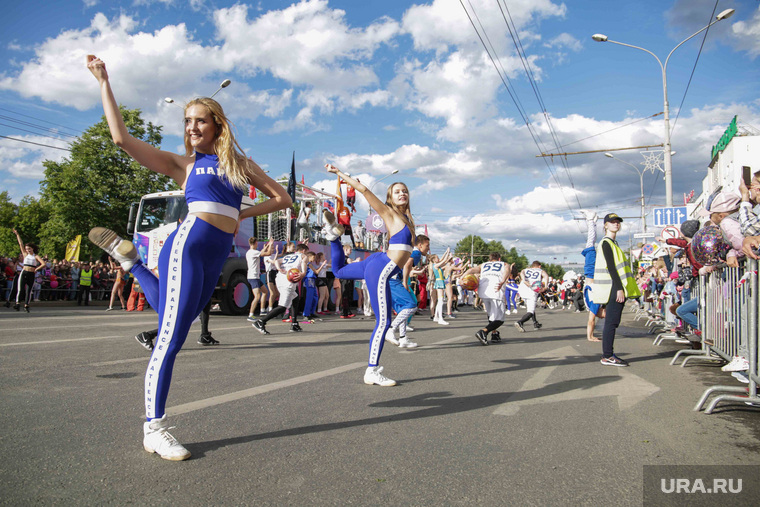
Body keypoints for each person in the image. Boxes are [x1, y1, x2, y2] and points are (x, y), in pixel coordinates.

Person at [85, 54, 291, 461]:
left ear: (217, 124)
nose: (192, 127)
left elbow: (282, 199)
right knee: (171, 336)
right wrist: (103, 81)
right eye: (187, 121)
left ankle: (131, 263)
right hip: (190, 242)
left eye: (200, 120)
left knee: (172, 315)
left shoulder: (240, 165)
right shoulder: (184, 165)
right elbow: (121, 140)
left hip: (219, 251)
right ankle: (154, 427)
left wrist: (240, 215)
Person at [320, 164, 419, 386]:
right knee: (383, 322)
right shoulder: (390, 213)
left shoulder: (408, 221)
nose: (402, 193)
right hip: (382, 267)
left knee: (338, 271)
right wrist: (338, 174)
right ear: (390, 198)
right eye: (397, 191)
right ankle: (372, 371)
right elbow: (364, 190)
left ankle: (334, 237)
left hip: (377, 262)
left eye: (405, 190)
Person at [591, 213, 641, 366]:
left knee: (612, 322)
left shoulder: (613, 243)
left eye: (618, 222)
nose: (616, 224)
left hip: (614, 288)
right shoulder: (606, 243)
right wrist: (619, 288)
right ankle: (607, 356)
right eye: (612, 222)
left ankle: (608, 355)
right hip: (613, 288)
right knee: (611, 323)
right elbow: (611, 267)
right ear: (605, 225)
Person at [252, 243, 308, 334]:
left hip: (280, 278)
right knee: (282, 306)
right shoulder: (303, 256)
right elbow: (304, 263)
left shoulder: (288, 256)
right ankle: (261, 322)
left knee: (295, 298)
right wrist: (303, 273)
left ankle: (294, 324)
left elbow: (277, 261)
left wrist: (279, 269)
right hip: (288, 282)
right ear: (304, 251)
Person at [386, 234, 430, 349]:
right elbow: (407, 264)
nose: (428, 248)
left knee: (403, 310)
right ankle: (391, 329)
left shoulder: (413, 251)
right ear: (420, 245)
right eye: (427, 245)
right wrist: (405, 282)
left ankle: (403, 338)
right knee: (411, 306)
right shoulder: (416, 253)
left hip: (391, 280)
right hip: (394, 281)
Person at [464, 252, 510, 345]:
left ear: (489, 259)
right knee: (500, 319)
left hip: (484, 290)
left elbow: (472, 270)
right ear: (499, 259)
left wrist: (462, 278)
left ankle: (494, 334)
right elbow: (507, 270)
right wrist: (502, 281)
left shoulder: (483, 265)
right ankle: (484, 331)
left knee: (491, 315)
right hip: (496, 290)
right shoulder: (504, 264)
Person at [579, 211, 606, 342]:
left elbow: (591, 321)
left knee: (590, 243)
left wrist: (590, 337)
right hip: (593, 273)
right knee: (591, 244)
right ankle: (592, 221)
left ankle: (590, 220)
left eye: (604, 315)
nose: (604, 316)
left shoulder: (595, 306)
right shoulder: (595, 304)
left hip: (592, 272)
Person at [10, 229, 45, 312]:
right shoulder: (25, 254)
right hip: (24, 272)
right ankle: (17, 303)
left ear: (32, 248)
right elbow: (20, 244)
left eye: (29, 249)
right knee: (21, 289)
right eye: (26, 249)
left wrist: (36, 269)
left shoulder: (36, 256)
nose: (27, 250)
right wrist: (17, 234)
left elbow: (43, 264)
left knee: (29, 290)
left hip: (31, 273)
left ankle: (26, 305)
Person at [514, 261, 549, 332]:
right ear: (539, 266)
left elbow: (522, 273)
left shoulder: (526, 269)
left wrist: (524, 280)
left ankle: (535, 323)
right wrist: (545, 287)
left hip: (522, 288)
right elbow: (546, 276)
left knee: (531, 307)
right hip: (532, 289)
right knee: (530, 311)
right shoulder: (540, 270)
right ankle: (520, 322)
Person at [246, 237, 273, 322]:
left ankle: (262, 310)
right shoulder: (253, 252)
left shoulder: (250, 252)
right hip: (253, 277)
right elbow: (268, 253)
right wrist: (271, 244)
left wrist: (266, 246)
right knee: (257, 296)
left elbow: (261, 252)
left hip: (255, 277)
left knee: (265, 291)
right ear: (255, 243)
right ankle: (251, 315)